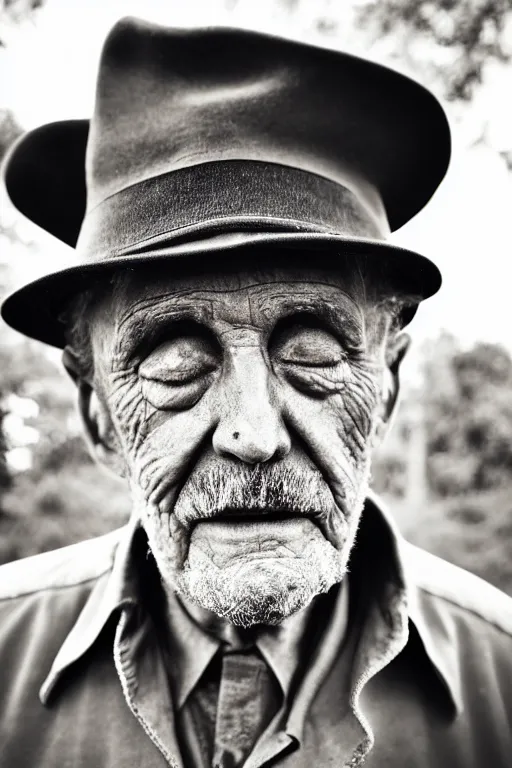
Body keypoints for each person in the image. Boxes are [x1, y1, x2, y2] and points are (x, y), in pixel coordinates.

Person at [0, 17, 510, 768]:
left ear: (389, 384)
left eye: (312, 355)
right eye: (176, 364)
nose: (256, 433)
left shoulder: (500, 678)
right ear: (97, 412)